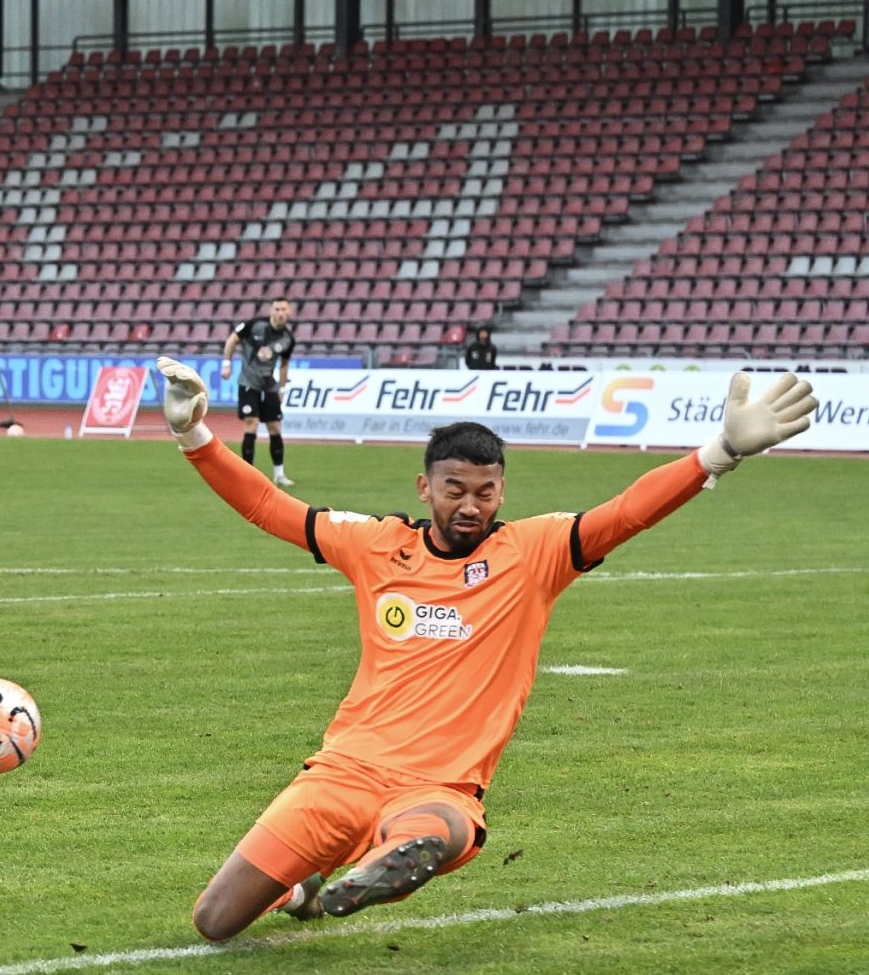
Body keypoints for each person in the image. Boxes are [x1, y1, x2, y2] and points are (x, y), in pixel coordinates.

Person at [153, 358, 816, 941]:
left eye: (486, 491)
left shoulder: (533, 553)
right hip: (341, 772)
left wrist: (719, 452)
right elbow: (269, 506)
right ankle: (305, 889)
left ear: (502, 491)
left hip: (438, 787)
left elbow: (625, 512)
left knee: (428, 833)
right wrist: (195, 437)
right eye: (455, 489)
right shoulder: (377, 544)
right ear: (425, 488)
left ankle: (389, 860)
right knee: (215, 919)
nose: (471, 505)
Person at [220, 296, 297, 487]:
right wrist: (226, 364)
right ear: (271, 311)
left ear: (289, 312)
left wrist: (282, 387)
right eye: (277, 309)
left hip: (269, 384)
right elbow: (232, 340)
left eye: (283, 309)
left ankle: (279, 474)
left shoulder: (288, 338)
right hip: (249, 381)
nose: (280, 313)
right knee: (251, 424)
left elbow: (284, 364)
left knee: (275, 427)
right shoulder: (254, 325)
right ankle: (247, 474)